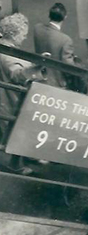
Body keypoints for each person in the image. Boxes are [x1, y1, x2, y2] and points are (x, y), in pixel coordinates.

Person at [0, 14, 44, 175]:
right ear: (14, 34)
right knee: (18, 130)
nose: (25, 38)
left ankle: (28, 156)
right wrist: (35, 67)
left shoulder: (3, 47)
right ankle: (16, 164)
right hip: (12, 100)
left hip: (5, 98)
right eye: (23, 34)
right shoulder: (8, 57)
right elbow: (18, 74)